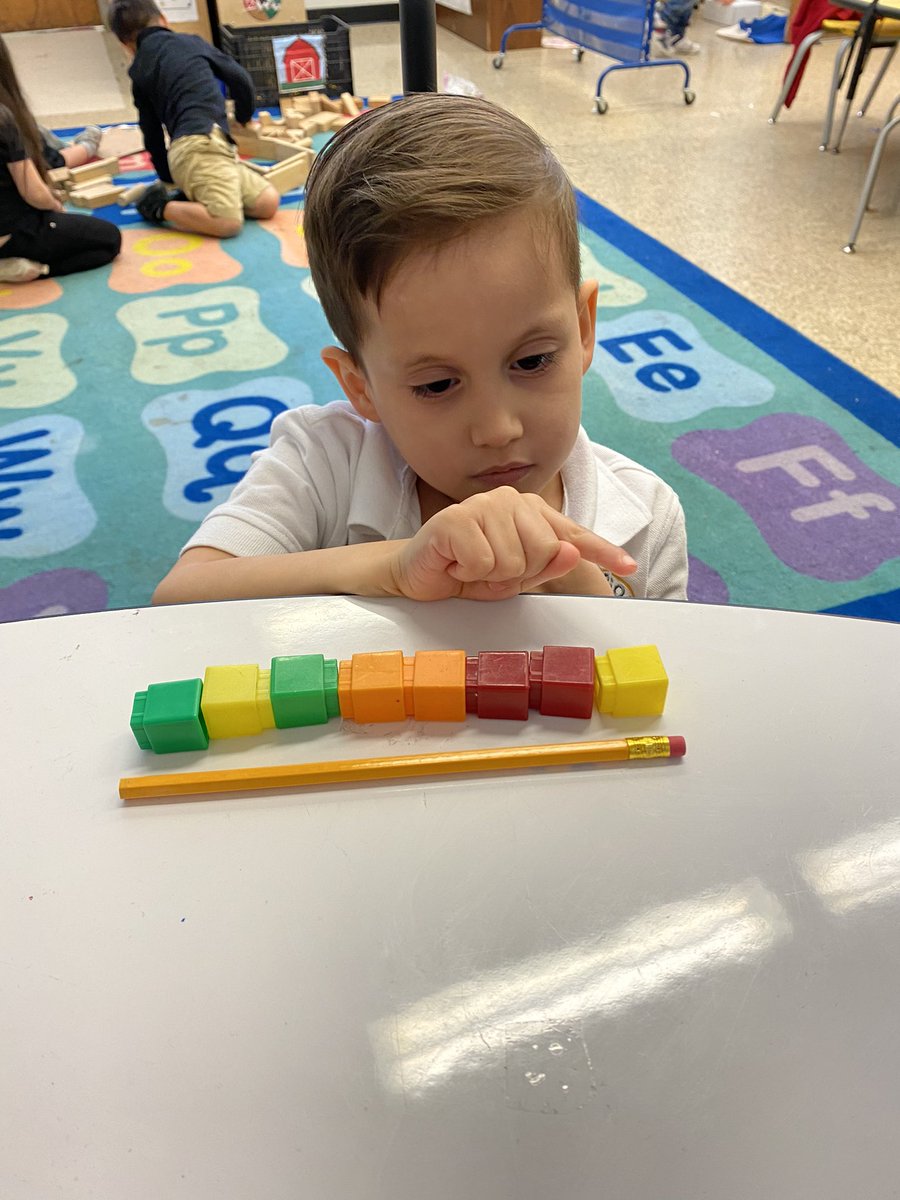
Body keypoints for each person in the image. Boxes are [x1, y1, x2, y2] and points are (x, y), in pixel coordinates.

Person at [153, 94, 688, 607]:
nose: (498, 429)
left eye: (531, 361)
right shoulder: (323, 463)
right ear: (359, 386)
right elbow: (180, 601)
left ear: (582, 328)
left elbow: (676, 678)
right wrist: (391, 567)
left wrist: (586, 591)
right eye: (436, 385)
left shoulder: (645, 518)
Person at [107, 0, 279, 238]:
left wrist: (167, 175)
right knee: (228, 223)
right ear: (164, 20)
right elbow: (241, 80)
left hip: (217, 148)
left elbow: (152, 133)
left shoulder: (138, 69)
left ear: (125, 44)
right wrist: (243, 116)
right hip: (195, 150)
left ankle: (192, 193)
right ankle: (159, 207)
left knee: (267, 202)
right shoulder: (192, 43)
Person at [0, 35, 121, 284]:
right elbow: (32, 193)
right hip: (12, 232)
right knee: (108, 240)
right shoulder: (4, 118)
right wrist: (54, 204)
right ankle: (31, 269)